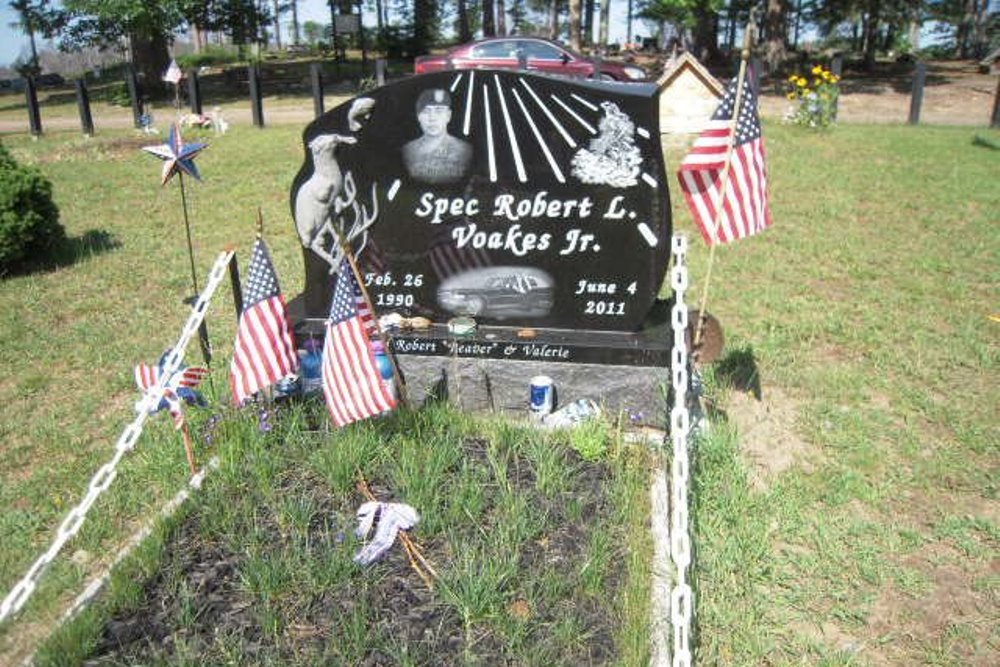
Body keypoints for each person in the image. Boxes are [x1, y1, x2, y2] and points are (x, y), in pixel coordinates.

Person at [402, 88, 472, 185]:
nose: (432, 118)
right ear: (418, 116)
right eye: (426, 111)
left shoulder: (465, 150)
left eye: (439, 111)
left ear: (448, 115)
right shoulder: (408, 151)